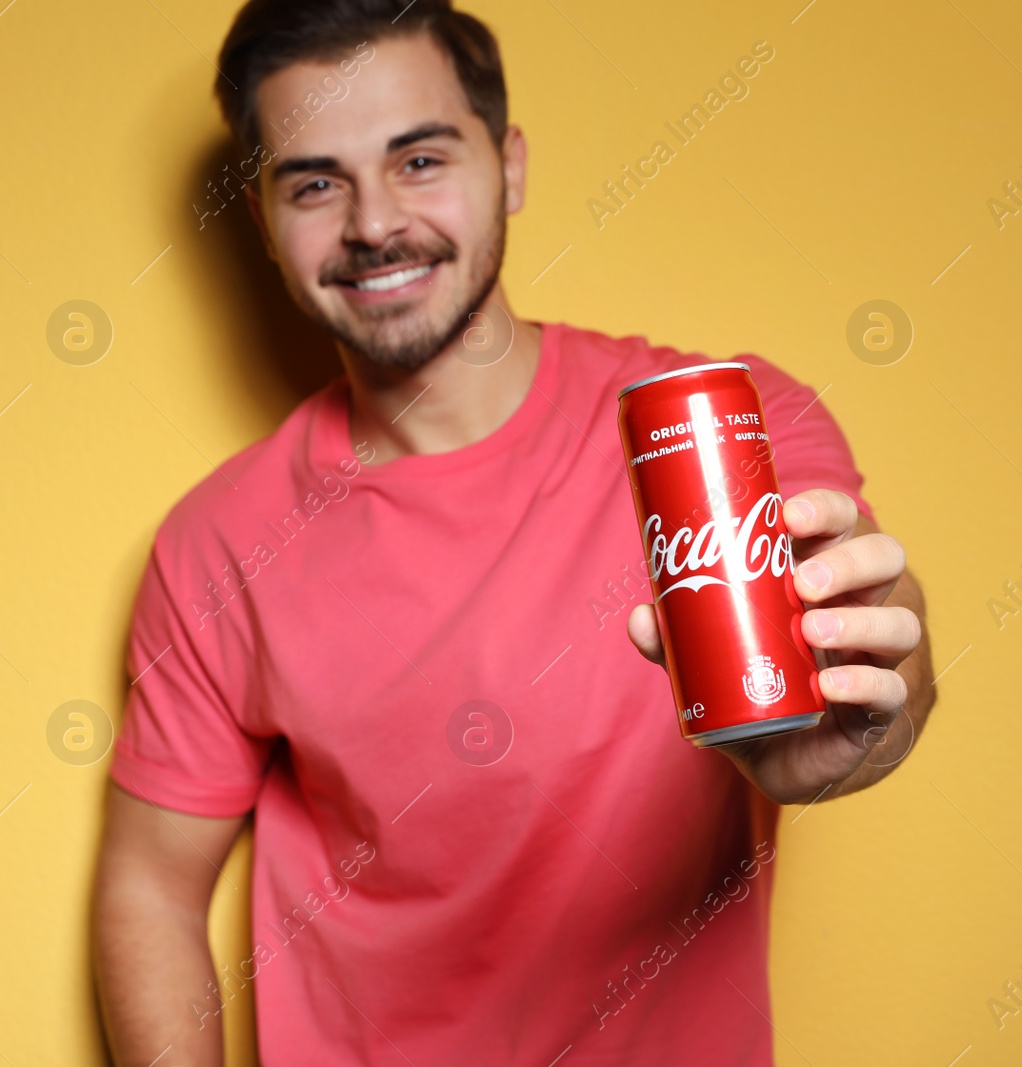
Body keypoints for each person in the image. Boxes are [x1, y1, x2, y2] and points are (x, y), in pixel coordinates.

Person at [92, 2, 933, 1063]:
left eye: (419, 158)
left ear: (510, 166)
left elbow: (870, 642)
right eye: (314, 181)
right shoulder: (218, 542)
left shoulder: (721, 428)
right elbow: (149, 881)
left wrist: (863, 707)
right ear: (262, 222)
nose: (371, 222)